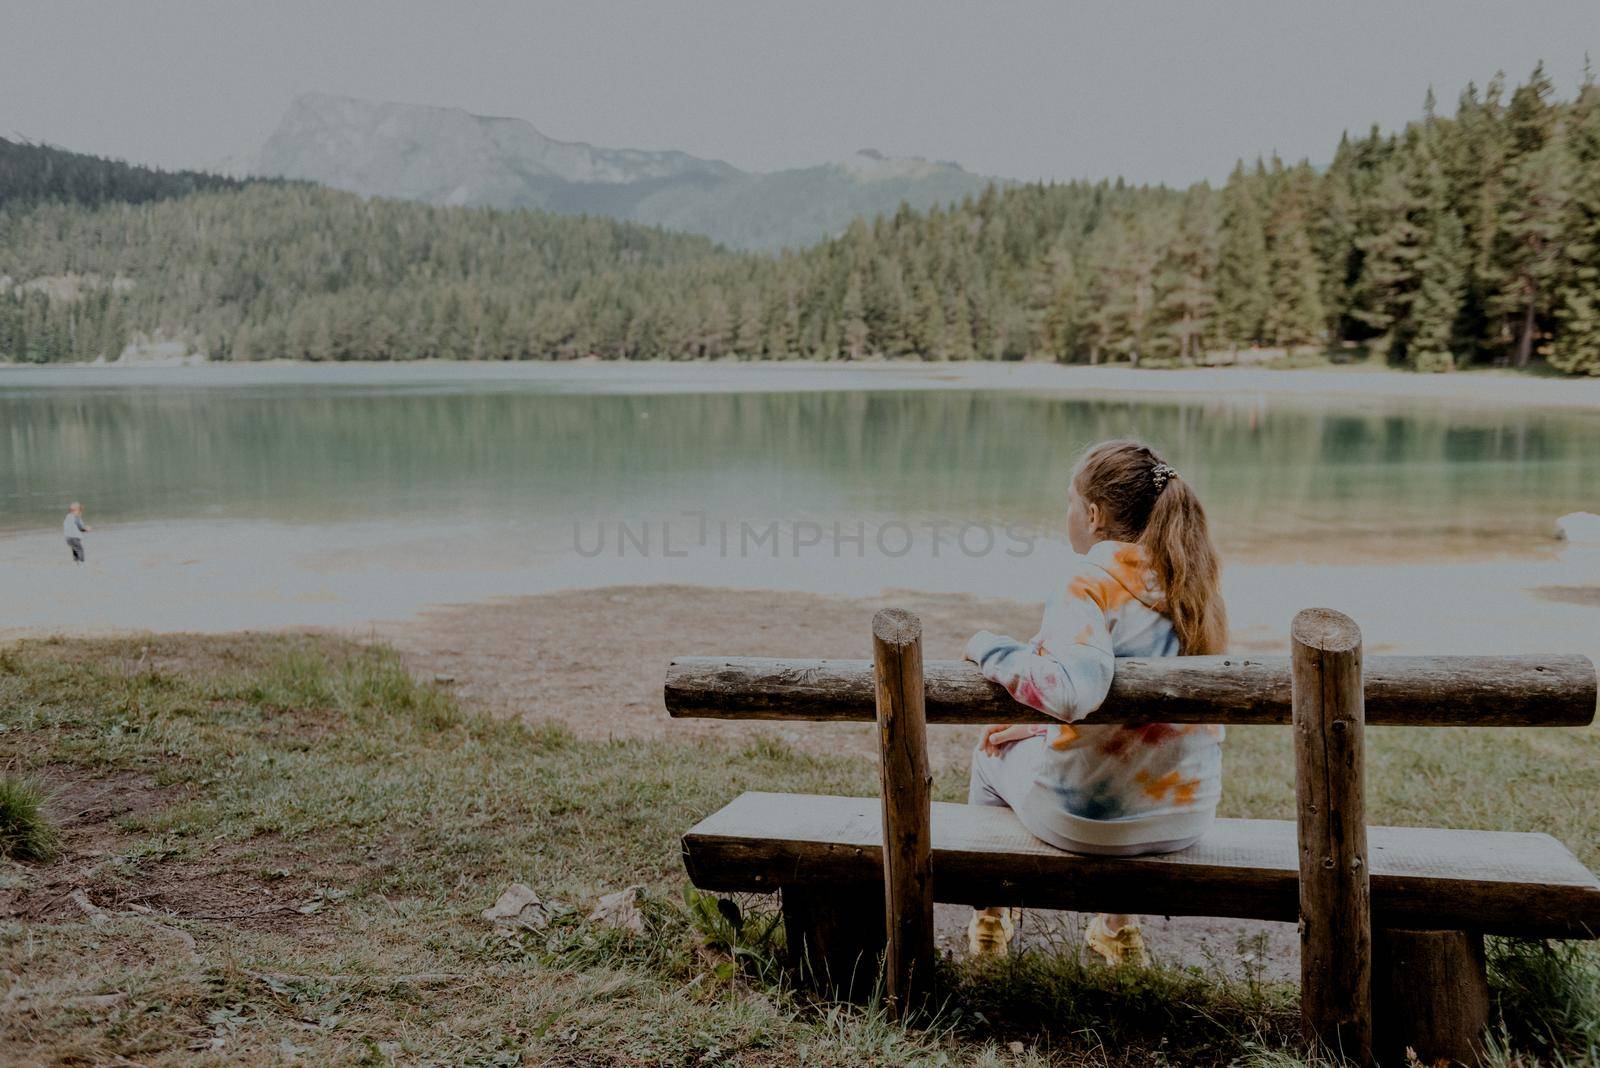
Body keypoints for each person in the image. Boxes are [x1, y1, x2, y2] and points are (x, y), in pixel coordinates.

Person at [962, 440, 1227, 965]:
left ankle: (990, 918)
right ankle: (1117, 932)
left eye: (1069, 501)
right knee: (1025, 743)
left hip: (1086, 820)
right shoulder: (1190, 579)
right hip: (1186, 814)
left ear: (1092, 514)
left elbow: (1068, 690)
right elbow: (1139, 718)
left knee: (987, 755)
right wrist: (1036, 730)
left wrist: (989, 648)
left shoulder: (1091, 581)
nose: (1067, 514)